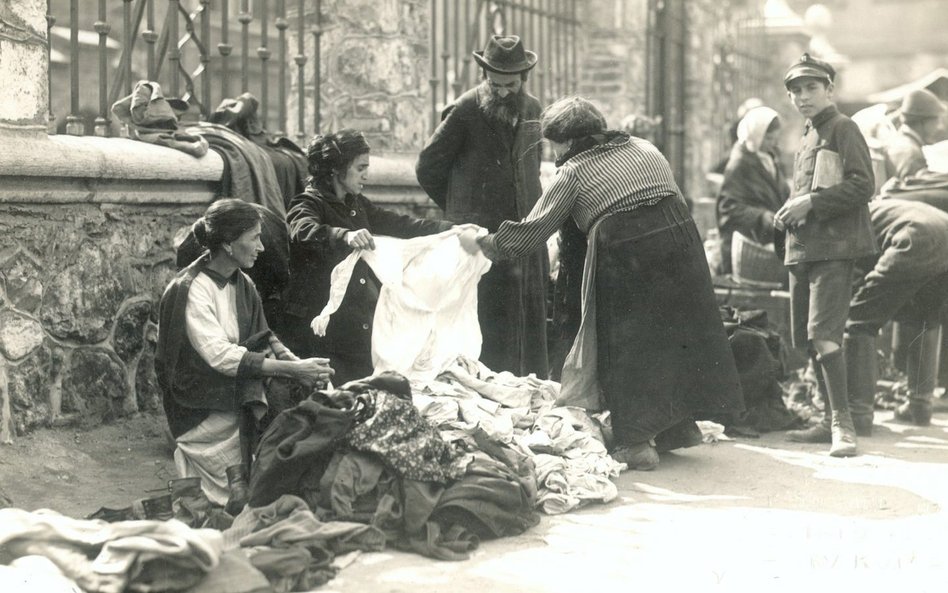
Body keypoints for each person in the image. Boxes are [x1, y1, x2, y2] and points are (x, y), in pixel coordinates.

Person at [458, 97, 743, 471]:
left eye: (554, 144)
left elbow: (532, 234)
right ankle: (679, 428)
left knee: (624, 344)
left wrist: (483, 243)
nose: (554, 152)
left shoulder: (573, 172)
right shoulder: (645, 147)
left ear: (567, 142)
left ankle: (635, 441)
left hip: (627, 248)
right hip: (681, 242)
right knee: (673, 335)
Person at [155, 199, 334, 506]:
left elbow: (264, 336)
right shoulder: (191, 289)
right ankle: (259, 479)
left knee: (302, 392)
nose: (261, 248)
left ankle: (283, 476)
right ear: (227, 243)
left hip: (229, 381)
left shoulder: (243, 282)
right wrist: (290, 370)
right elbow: (219, 357)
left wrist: (301, 366)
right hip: (197, 396)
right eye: (254, 238)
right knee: (274, 393)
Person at [416, 35, 549, 378]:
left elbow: (534, 164)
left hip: (524, 234)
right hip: (480, 240)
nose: (504, 92)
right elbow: (428, 167)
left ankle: (526, 390)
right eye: (496, 84)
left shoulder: (533, 109)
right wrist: (462, 212)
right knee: (486, 322)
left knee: (527, 321)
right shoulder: (464, 110)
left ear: (524, 79)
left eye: (511, 85)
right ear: (484, 76)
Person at [280, 129, 457, 384]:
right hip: (322, 333)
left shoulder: (356, 203)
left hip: (357, 329)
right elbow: (302, 231)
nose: (366, 174)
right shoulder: (307, 203)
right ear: (336, 169)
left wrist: (450, 229)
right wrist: (344, 236)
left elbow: (399, 224)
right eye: (360, 167)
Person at [776, 53, 877, 457]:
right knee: (806, 337)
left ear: (830, 89)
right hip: (803, 250)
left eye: (811, 88)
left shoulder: (843, 127)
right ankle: (824, 417)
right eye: (796, 90)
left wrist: (810, 204)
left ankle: (843, 424)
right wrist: (790, 210)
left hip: (835, 249)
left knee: (824, 333)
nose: (803, 96)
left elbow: (863, 185)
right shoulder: (807, 134)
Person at [845, 199, 948, 434]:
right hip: (943, 231)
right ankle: (920, 406)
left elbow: (851, 278)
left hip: (914, 237)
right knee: (923, 318)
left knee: (859, 320)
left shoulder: (841, 221)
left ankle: (858, 414)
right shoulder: (878, 207)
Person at [716, 106, 789, 276]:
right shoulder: (740, 164)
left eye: (775, 138)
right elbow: (728, 208)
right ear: (756, 137)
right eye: (769, 139)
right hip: (746, 248)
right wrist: (760, 216)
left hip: (766, 242)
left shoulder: (767, 157)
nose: (774, 143)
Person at [883, 88, 946, 181]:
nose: (939, 127)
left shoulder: (898, 142)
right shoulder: (912, 154)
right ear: (923, 121)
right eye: (935, 122)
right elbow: (916, 192)